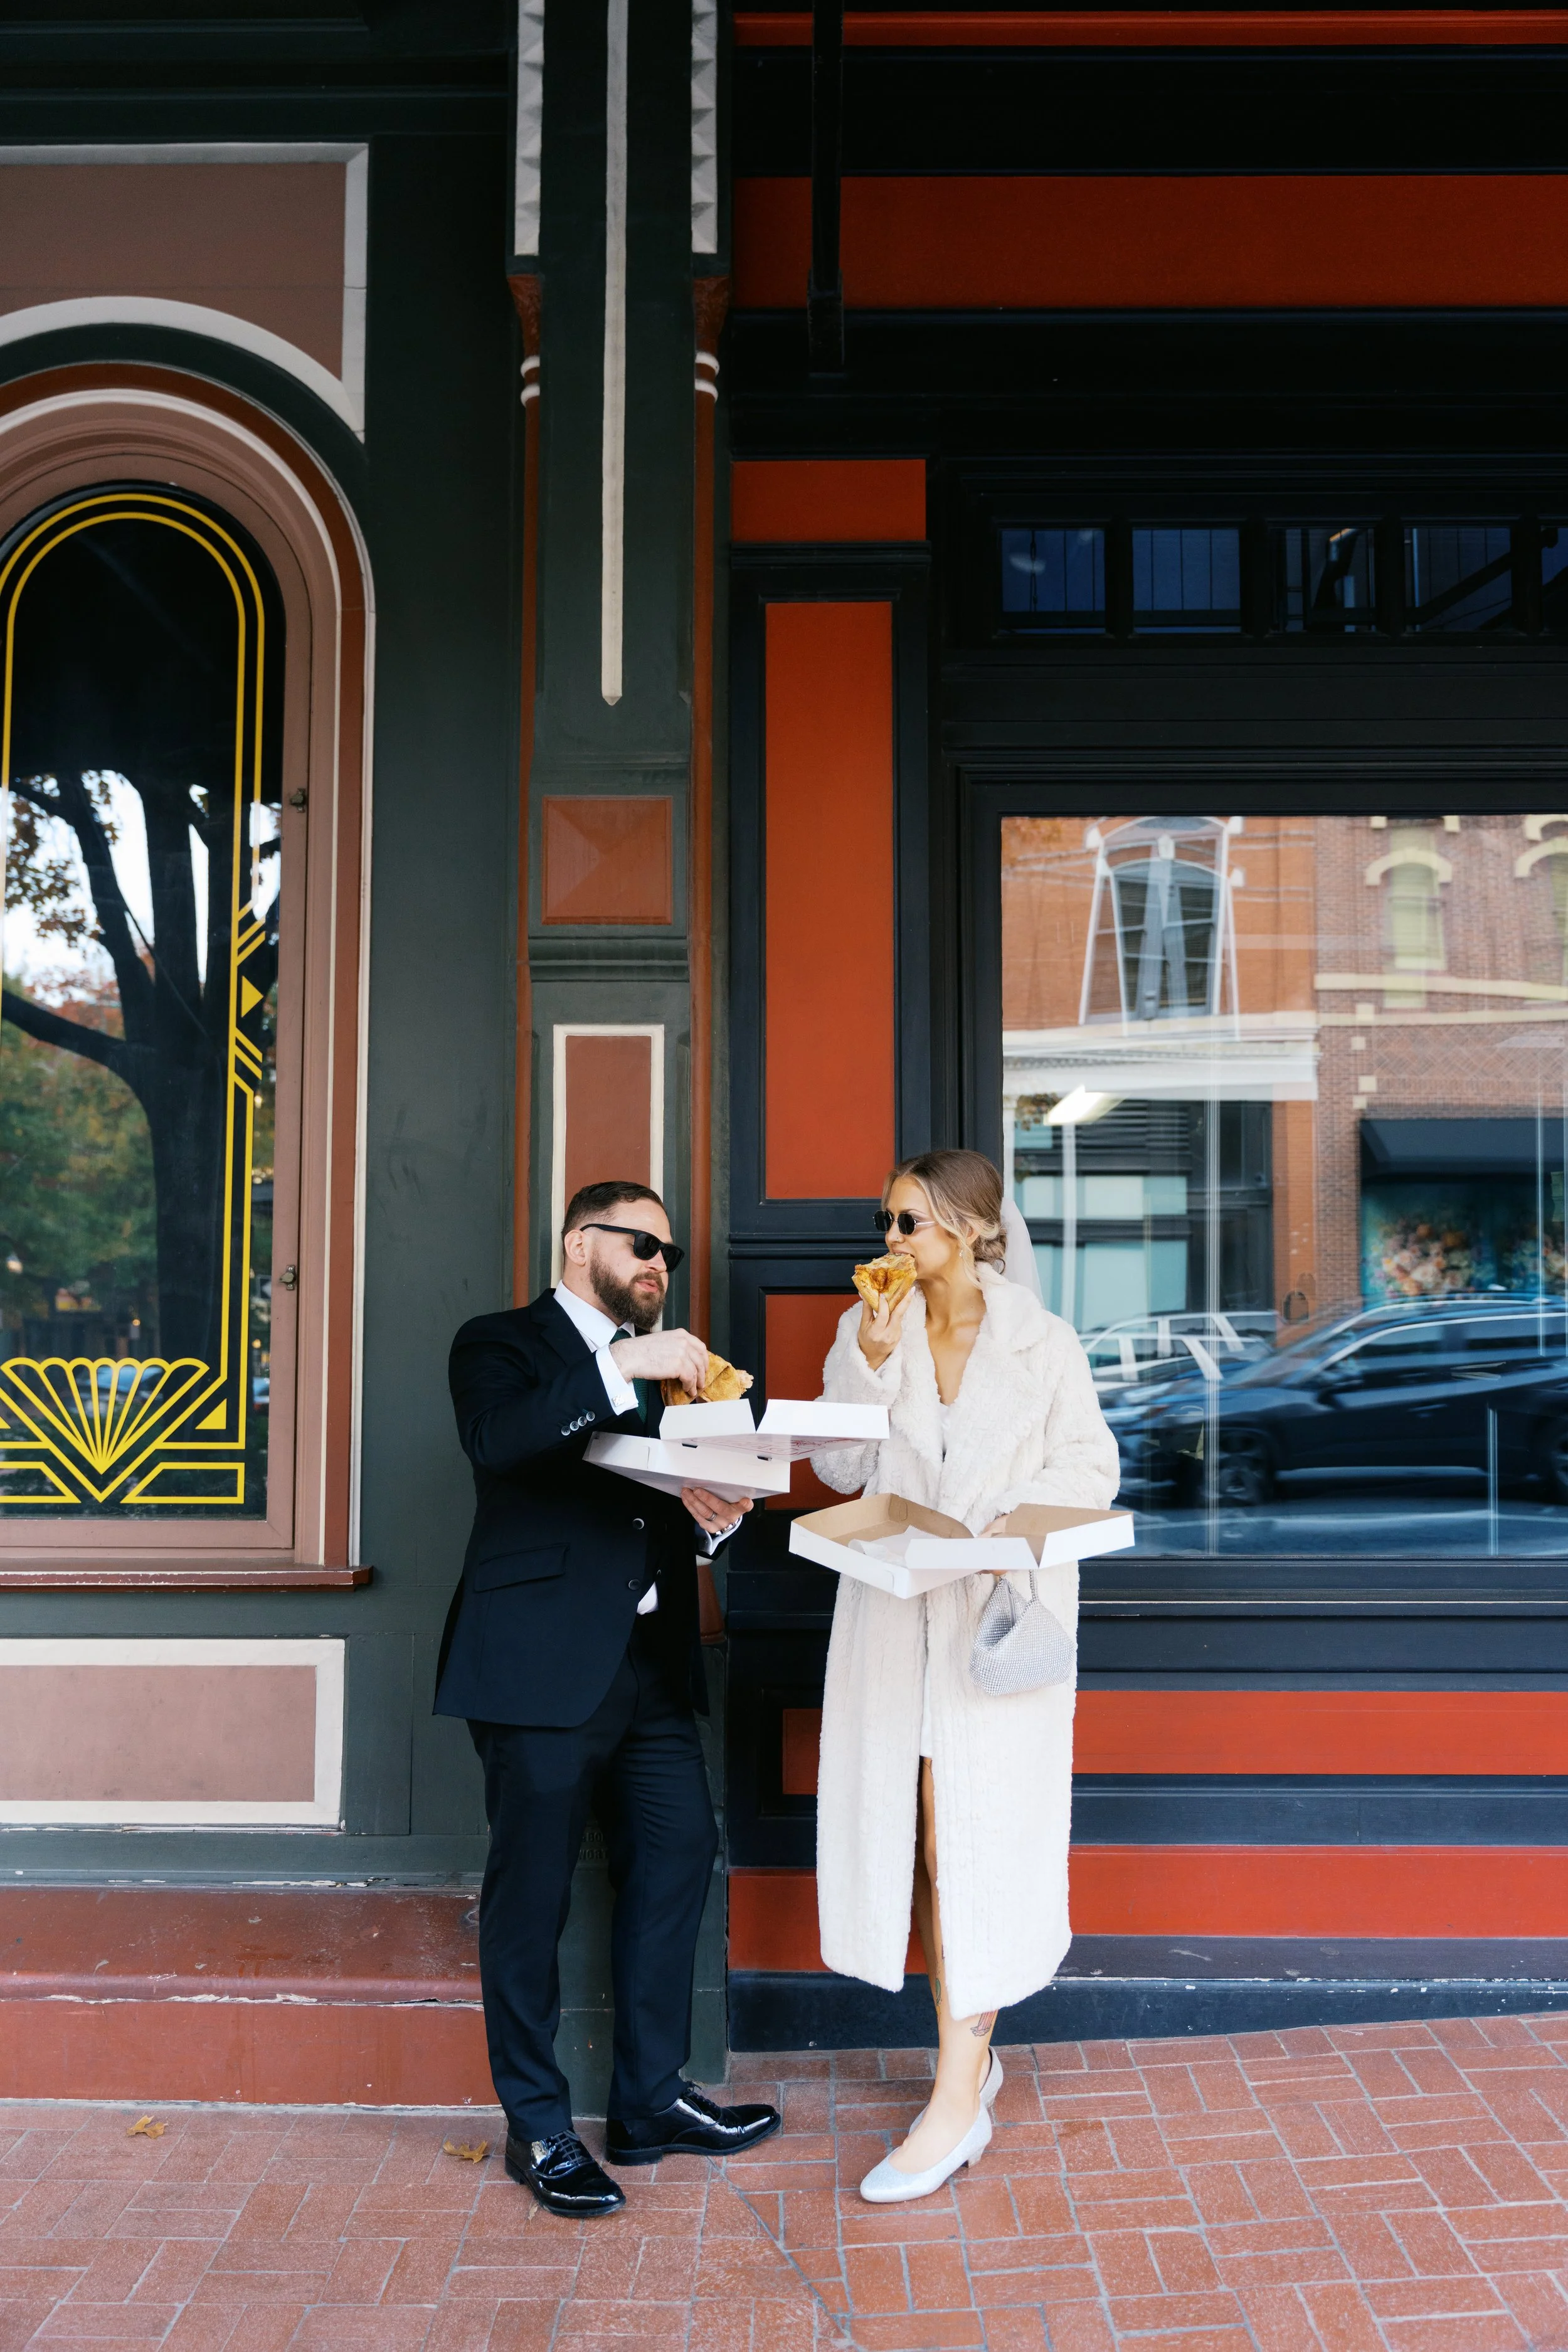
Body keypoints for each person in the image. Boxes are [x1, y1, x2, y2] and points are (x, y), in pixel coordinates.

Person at [435, 1179, 781, 2216]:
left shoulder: (681, 1365)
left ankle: (648, 2102)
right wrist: (620, 1362)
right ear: (581, 1240)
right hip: (536, 1666)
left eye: (668, 1255)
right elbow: (501, 1442)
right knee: (528, 1900)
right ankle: (537, 2128)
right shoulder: (497, 1342)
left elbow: (668, 1499)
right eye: (643, 1245)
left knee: (678, 1860)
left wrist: (716, 1513)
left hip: (653, 1669)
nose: (659, 1267)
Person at [809, 1149, 1119, 2204]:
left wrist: (995, 1530)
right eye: (887, 1220)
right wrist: (868, 1361)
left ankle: (954, 2097)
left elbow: (1091, 1469)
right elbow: (842, 1469)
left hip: (992, 1623)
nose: (890, 1242)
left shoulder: (1043, 1343)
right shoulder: (869, 1329)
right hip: (896, 1622)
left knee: (971, 1838)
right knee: (929, 1850)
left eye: (911, 1223)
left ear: (975, 1230)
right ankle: (971, 2061)